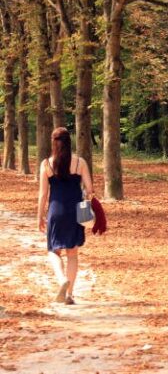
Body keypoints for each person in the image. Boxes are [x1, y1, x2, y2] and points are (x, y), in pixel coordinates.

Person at [37, 127, 96, 305]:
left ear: (53, 143)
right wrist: (88, 200)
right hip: (75, 211)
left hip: (56, 211)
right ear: (69, 142)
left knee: (53, 250)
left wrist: (39, 216)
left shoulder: (46, 164)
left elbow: (43, 194)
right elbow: (90, 190)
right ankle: (69, 295)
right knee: (72, 253)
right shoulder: (80, 163)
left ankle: (62, 279)